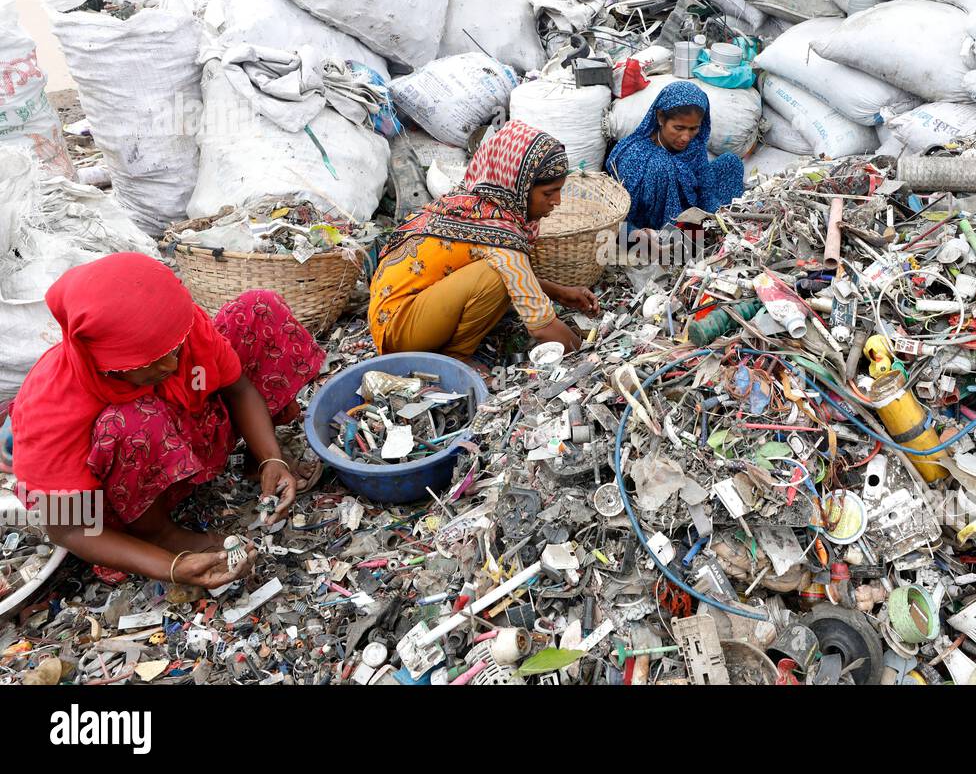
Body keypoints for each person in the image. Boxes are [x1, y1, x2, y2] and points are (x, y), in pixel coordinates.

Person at [10, 254, 324, 589]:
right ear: (111, 363)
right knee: (133, 418)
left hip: (195, 432)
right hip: (128, 492)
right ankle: (160, 534)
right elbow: (66, 527)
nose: (174, 363)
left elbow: (238, 388)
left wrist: (269, 457)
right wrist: (171, 567)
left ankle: (256, 465)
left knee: (258, 309)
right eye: (157, 359)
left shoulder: (180, 333)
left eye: (176, 348)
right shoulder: (51, 404)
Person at [368, 121, 599, 363]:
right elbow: (541, 326)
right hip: (399, 332)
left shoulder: (474, 204)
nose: (557, 201)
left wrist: (560, 293)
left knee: (500, 274)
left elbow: (515, 275)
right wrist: (587, 354)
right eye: (549, 193)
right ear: (518, 187)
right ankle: (455, 358)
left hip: (392, 316)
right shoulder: (500, 235)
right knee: (496, 276)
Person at [606, 81, 744, 238]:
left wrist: (718, 214)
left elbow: (705, 188)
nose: (686, 137)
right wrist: (637, 234)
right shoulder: (636, 154)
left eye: (693, 129)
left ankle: (714, 230)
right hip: (651, 226)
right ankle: (676, 238)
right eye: (678, 128)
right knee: (661, 165)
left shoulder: (694, 146)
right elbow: (620, 213)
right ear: (660, 118)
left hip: (690, 210)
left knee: (731, 162)